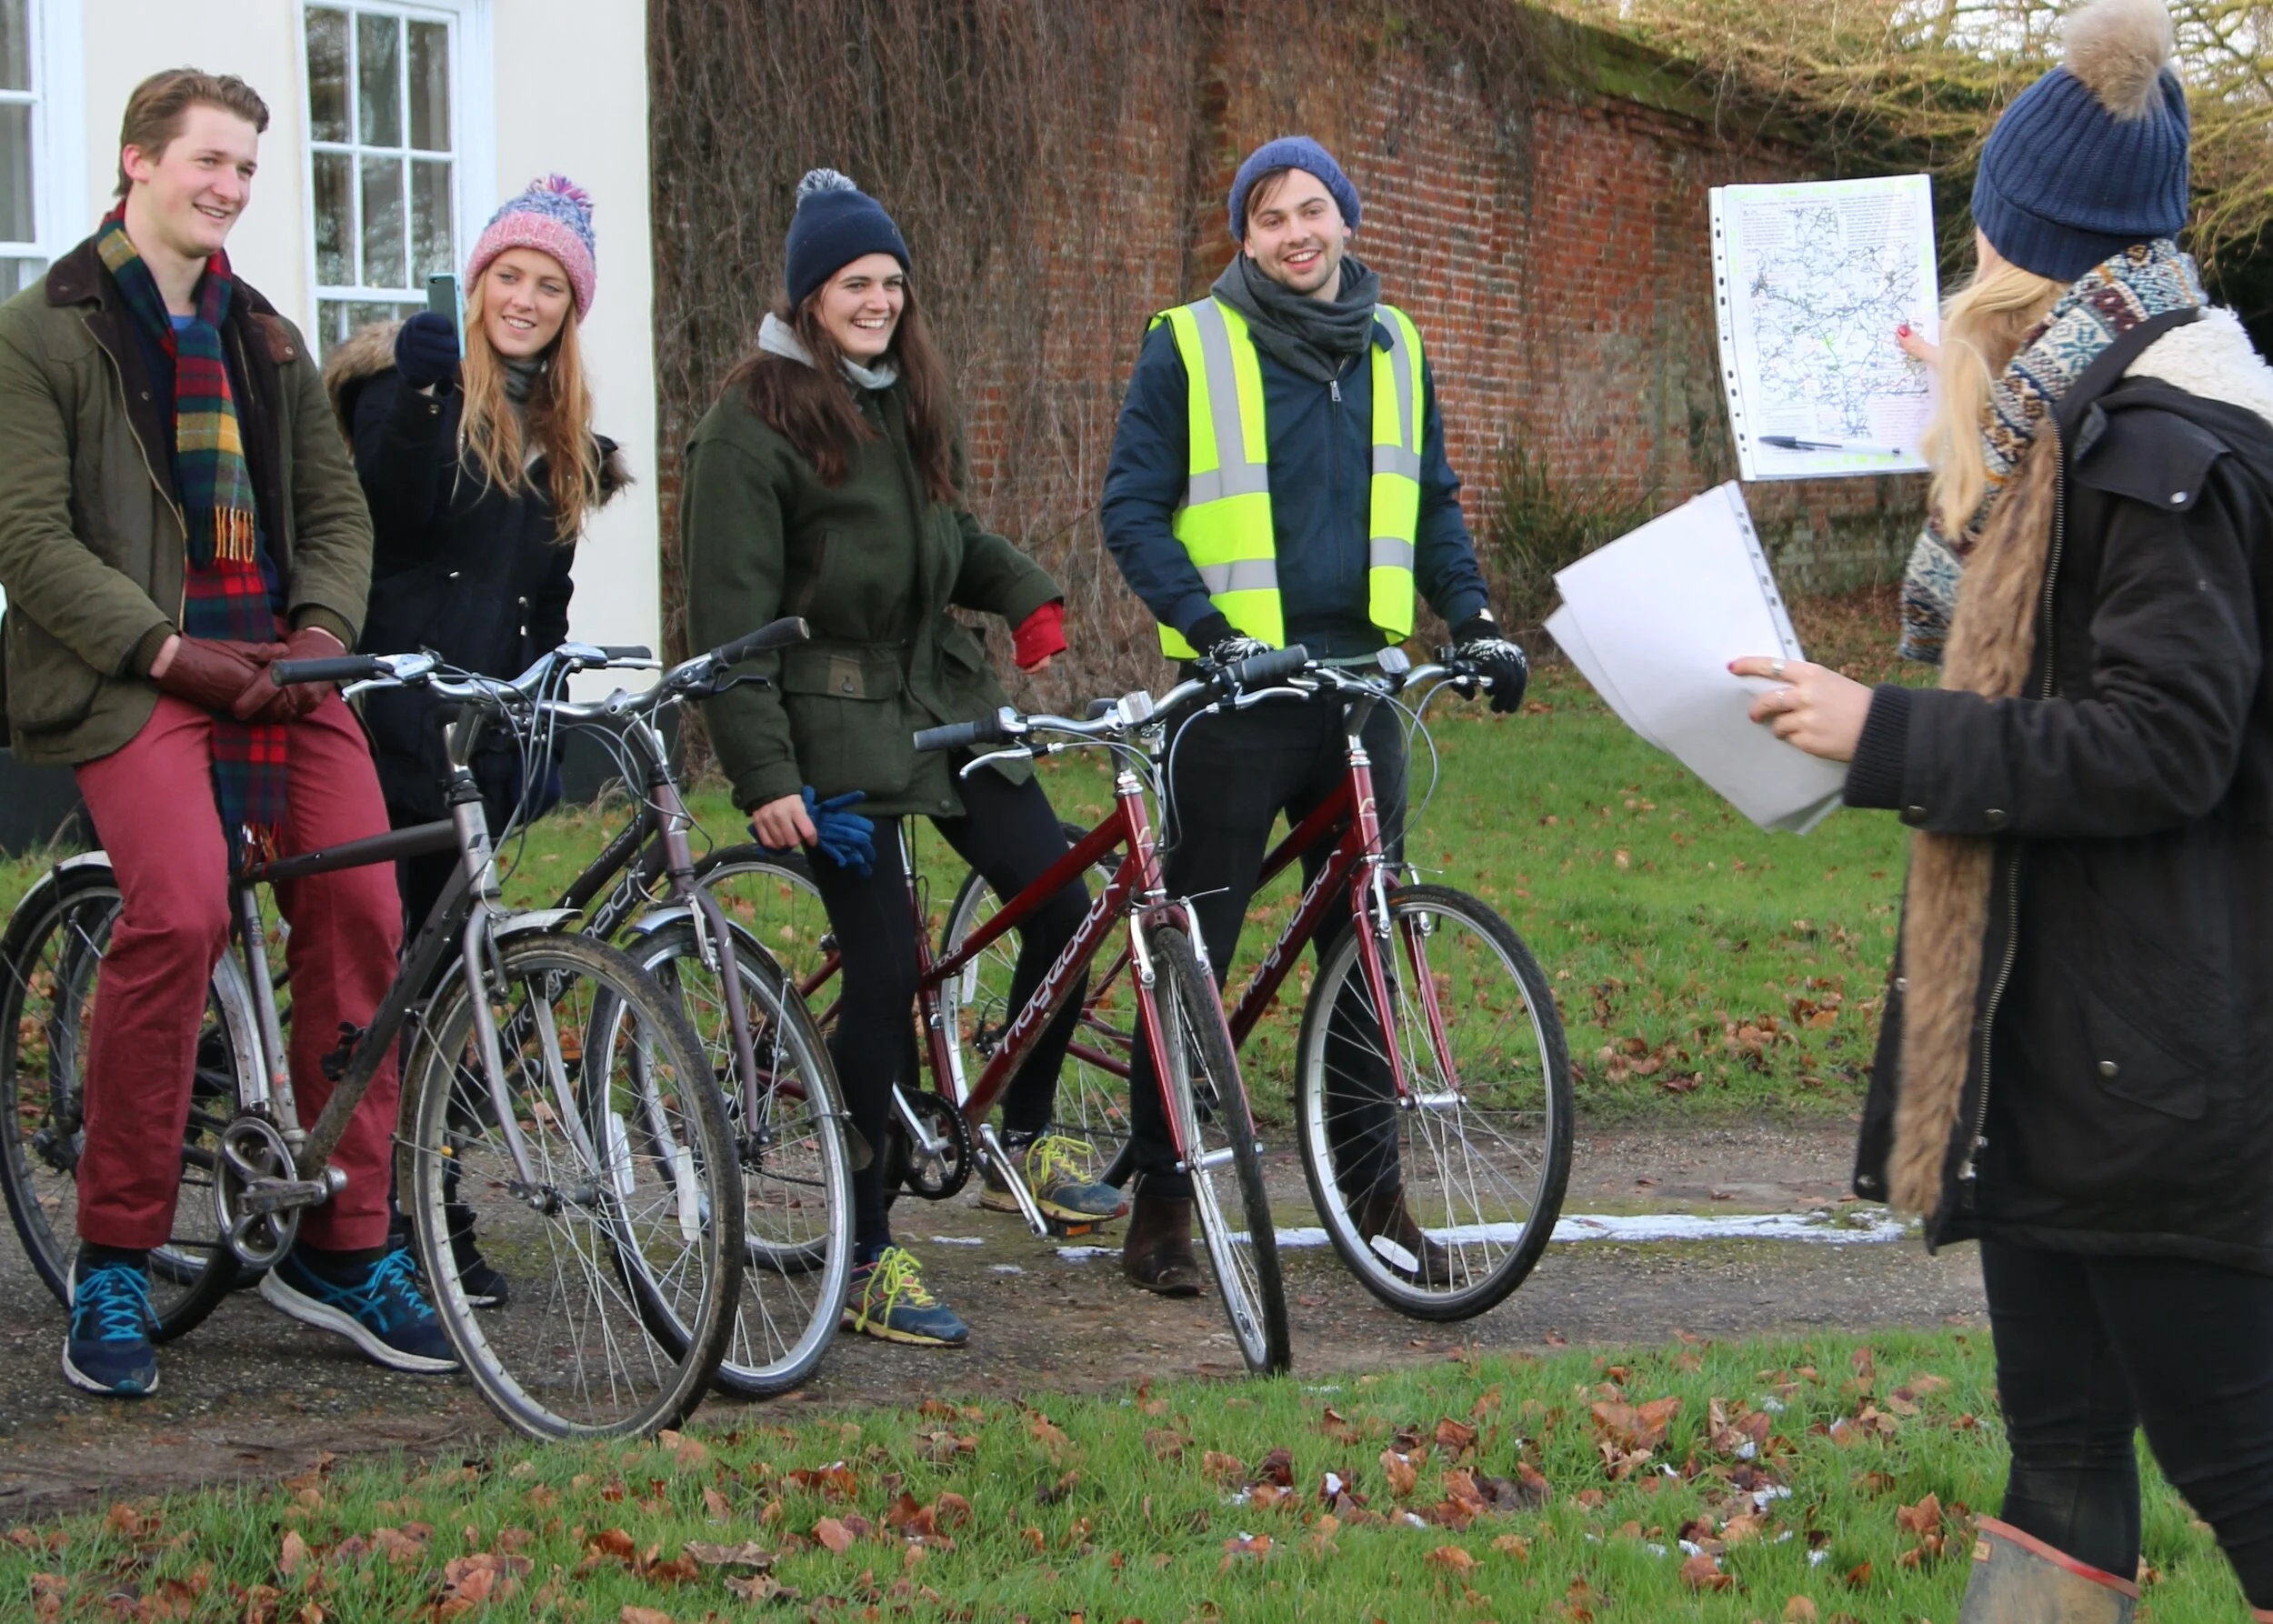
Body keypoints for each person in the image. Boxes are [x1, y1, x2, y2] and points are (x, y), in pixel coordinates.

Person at [1734, 1, 2273, 1616]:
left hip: (2152, 1067)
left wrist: (1882, 734)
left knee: (2246, 1473)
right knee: (2059, 1462)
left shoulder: (2161, 447)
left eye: (1985, 227)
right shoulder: (2079, 418)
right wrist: (1982, 413)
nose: (1967, 256)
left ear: (2026, 246)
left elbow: (2163, 746)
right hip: (2061, 1050)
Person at [0, 69, 453, 1396]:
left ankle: (343, 1241)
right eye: (210, 160)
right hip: (134, 670)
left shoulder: (267, 337)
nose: (231, 187)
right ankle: (115, 1252)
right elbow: (28, 538)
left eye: (248, 168)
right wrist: (166, 649)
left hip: (277, 666)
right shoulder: (42, 332)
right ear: (139, 161)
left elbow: (336, 512)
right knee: (184, 909)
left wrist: (318, 636)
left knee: (366, 903)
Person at [681, 169, 1123, 1348]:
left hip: (941, 695)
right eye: (853, 283)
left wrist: (1022, 593)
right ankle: (866, 1245)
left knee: (1063, 897)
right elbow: (728, 626)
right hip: (830, 725)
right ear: (809, 295)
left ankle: (1025, 1131)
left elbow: (944, 533)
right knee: (883, 974)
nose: (877, 301)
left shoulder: (905, 394)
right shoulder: (749, 427)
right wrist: (765, 775)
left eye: (890, 282)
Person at [1098, 135, 1530, 1296]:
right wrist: (1210, 632)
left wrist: (1474, 616)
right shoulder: (1189, 343)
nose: (1294, 233)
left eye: (1310, 210)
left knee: (1366, 941)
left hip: (1359, 688)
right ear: (1244, 239)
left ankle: (1373, 1199)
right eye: (1269, 217)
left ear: (1346, 217)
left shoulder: (1395, 343)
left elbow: (1430, 502)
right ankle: (1162, 1202)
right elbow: (1131, 507)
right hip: (1235, 696)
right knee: (1197, 946)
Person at [326, 174, 630, 1308]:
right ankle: (374, 1217)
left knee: (456, 985)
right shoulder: (411, 391)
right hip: (391, 725)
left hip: (484, 743)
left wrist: (540, 717)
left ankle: (429, 1200)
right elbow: (387, 516)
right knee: (386, 977)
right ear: (477, 283)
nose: (525, 299)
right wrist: (418, 394)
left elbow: (541, 599)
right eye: (510, 275)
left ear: (568, 309)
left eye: (549, 285)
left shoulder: (561, 438)